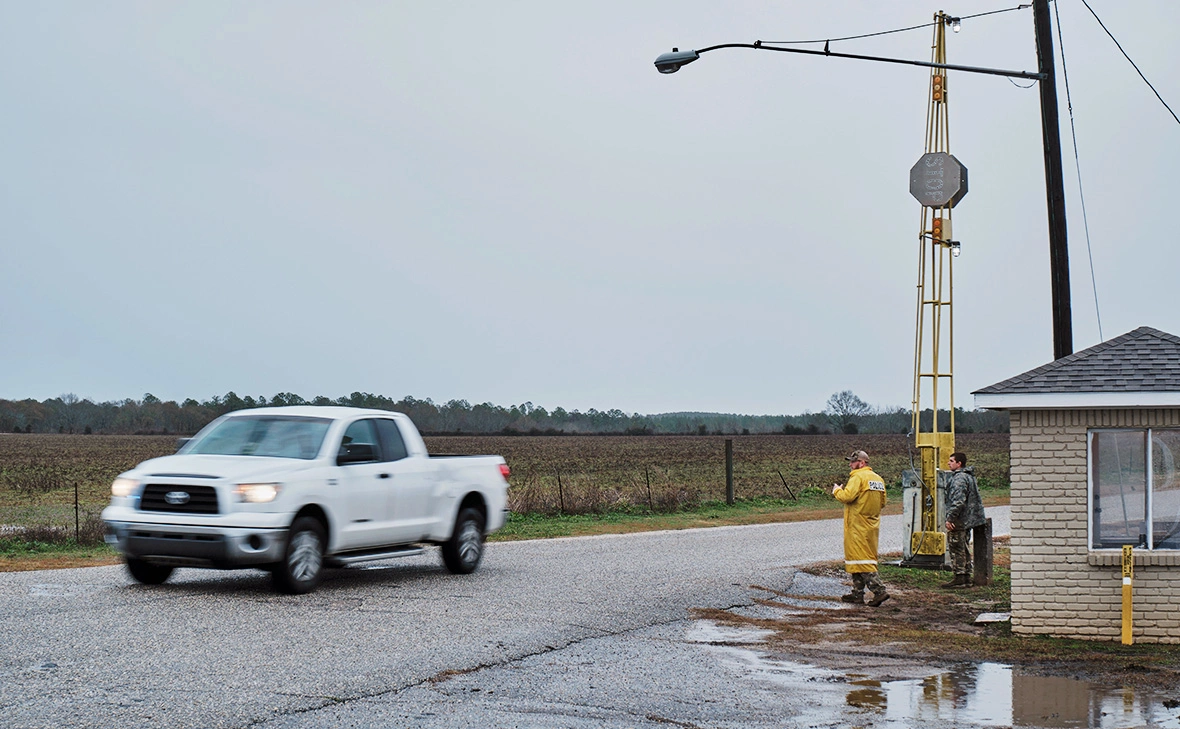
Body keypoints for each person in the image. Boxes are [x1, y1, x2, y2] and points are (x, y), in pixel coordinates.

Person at [831, 450, 889, 607]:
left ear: (862, 463)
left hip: (857, 525)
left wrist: (837, 490)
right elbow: (882, 503)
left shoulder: (857, 477)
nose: (850, 464)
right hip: (871, 525)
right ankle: (857, 593)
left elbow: (847, 497)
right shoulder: (878, 479)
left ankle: (879, 591)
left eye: (852, 462)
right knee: (858, 558)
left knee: (862, 561)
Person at [942, 451, 986, 589]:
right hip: (969, 518)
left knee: (956, 547)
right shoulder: (969, 476)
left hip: (959, 519)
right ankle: (966, 576)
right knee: (964, 546)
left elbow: (958, 501)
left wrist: (950, 518)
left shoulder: (959, 479)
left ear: (959, 463)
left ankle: (959, 577)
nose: (948, 463)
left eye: (951, 461)